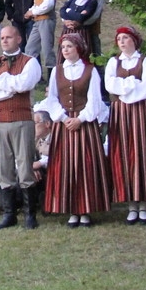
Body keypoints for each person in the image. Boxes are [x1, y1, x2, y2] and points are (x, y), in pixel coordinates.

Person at [37, 33, 110, 227]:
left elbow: (95, 99)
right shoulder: (57, 71)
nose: (66, 50)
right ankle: (70, 209)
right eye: (63, 47)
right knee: (66, 165)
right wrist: (62, 117)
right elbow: (52, 98)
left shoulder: (90, 71)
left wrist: (81, 118)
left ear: (78, 48)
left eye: (69, 46)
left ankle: (85, 209)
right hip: (64, 124)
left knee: (85, 166)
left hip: (85, 124)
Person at [0, 24, 44, 229]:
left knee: (25, 165)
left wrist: (5, 81)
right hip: (0, 121)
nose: (5, 41)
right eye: (2, 38)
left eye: (8, 37)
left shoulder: (30, 62)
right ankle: (9, 214)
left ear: (18, 39)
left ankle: (30, 214)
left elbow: (24, 85)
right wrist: (10, 88)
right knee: (4, 167)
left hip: (21, 119)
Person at [105, 25, 146, 226]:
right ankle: (131, 204)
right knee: (124, 155)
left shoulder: (145, 60)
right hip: (121, 113)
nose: (121, 42)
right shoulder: (114, 62)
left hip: (140, 112)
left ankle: (144, 205)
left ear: (134, 40)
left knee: (141, 153)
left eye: (125, 38)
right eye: (119, 38)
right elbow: (109, 85)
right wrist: (131, 84)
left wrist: (125, 90)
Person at [23, 0, 58, 70]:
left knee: (47, 49)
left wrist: (33, 11)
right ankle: (33, 74)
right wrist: (31, 11)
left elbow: (49, 4)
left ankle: (51, 78)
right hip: (38, 20)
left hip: (46, 19)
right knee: (30, 49)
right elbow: (39, 1)